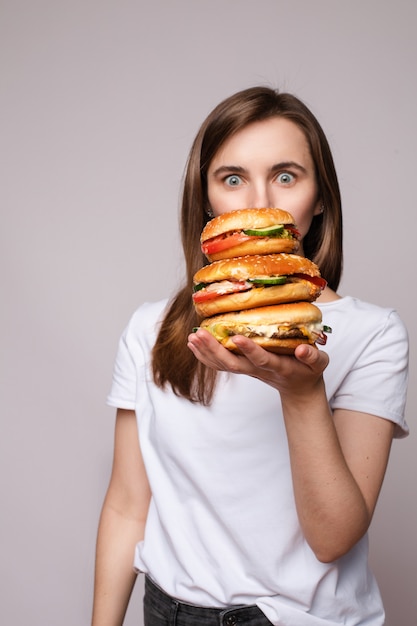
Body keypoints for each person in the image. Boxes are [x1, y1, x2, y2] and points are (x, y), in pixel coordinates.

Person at [91, 86, 409, 626]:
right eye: (232, 178)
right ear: (206, 198)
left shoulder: (372, 333)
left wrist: (302, 392)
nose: (259, 200)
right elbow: (127, 504)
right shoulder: (150, 329)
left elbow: (332, 539)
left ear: (321, 196)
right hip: (166, 612)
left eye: (286, 176)